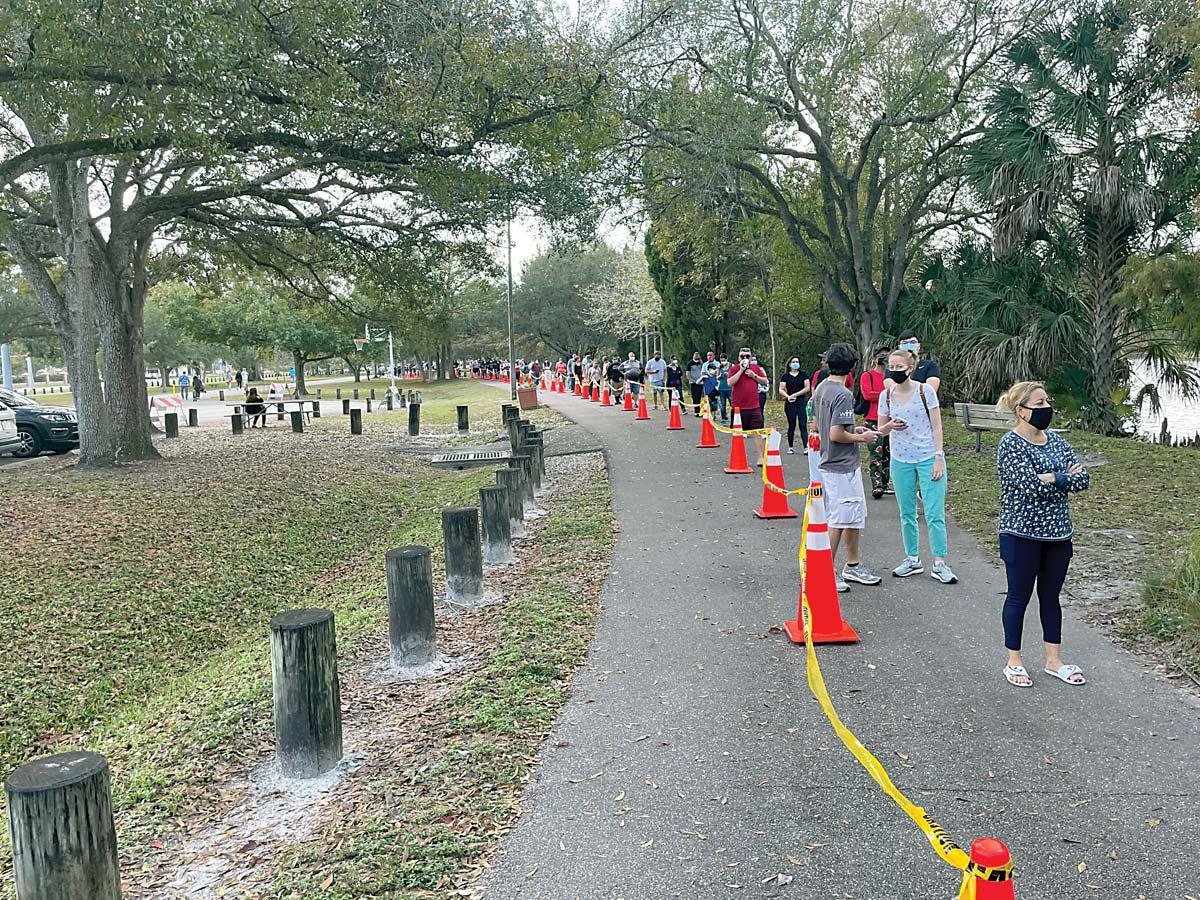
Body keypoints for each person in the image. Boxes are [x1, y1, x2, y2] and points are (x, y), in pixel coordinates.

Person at [995, 381, 1089, 688]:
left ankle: (1054, 661)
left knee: (1051, 598)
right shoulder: (1010, 444)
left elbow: (1082, 479)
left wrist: (1053, 477)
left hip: (1059, 536)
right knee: (1018, 597)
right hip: (1020, 534)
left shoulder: (1058, 442)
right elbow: (1030, 488)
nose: (1046, 407)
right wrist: (1061, 479)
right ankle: (1014, 661)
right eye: (1039, 403)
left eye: (1047, 401)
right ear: (1021, 411)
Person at [878, 349, 956, 584]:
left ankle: (940, 562)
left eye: (899, 367)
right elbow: (880, 430)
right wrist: (891, 425)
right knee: (907, 513)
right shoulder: (887, 396)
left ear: (910, 369)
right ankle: (912, 559)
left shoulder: (926, 391)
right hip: (900, 459)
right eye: (891, 366)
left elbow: (937, 427)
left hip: (927, 457)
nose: (894, 370)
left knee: (934, 512)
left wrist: (938, 457)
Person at [812, 343, 882, 592]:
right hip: (839, 466)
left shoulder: (822, 388)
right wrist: (861, 438)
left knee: (853, 516)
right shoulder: (843, 394)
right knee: (840, 519)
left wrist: (855, 430)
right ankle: (824, 569)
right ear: (852, 367)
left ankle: (853, 565)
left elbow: (820, 425)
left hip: (838, 464)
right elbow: (834, 434)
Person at [726, 348, 769, 465]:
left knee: (757, 432)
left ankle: (760, 458)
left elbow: (764, 381)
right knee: (738, 434)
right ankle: (738, 457)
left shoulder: (756, 368)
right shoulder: (734, 369)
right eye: (742, 356)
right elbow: (730, 382)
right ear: (738, 358)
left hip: (754, 406)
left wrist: (754, 375)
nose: (745, 359)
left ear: (751, 358)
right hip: (738, 408)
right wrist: (741, 371)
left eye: (747, 356)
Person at [860, 346, 891, 498]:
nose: (884, 358)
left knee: (888, 454)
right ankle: (876, 485)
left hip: (890, 420)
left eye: (887, 355)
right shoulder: (868, 375)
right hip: (872, 419)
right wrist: (887, 394)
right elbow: (868, 395)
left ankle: (885, 484)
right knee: (875, 453)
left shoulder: (891, 377)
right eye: (881, 355)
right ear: (874, 358)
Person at [778, 356, 810, 454]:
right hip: (790, 402)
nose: (795, 363)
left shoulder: (803, 375)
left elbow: (807, 387)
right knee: (791, 425)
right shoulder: (786, 376)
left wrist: (796, 394)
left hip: (801, 401)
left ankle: (806, 446)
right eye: (793, 362)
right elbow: (781, 389)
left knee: (802, 424)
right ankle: (790, 447)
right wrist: (788, 396)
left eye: (797, 362)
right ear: (789, 364)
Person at [687, 351, 705, 416]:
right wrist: (690, 380)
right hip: (693, 383)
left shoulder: (701, 363)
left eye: (698, 355)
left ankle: (700, 410)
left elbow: (704, 370)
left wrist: (701, 362)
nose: (697, 356)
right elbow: (688, 373)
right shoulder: (690, 363)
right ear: (693, 356)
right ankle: (696, 411)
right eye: (695, 355)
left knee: (699, 396)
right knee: (695, 397)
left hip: (700, 382)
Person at [717, 355, 732, 423]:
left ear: (727, 359)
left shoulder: (731, 366)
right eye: (721, 360)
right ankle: (723, 419)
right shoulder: (719, 367)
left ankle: (734, 418)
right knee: (722, 405)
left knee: (732, 403)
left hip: (730, 388)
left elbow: (734, 375)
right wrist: (720, 376)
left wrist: (728, 374)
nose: (723, 362)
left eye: (724, 360)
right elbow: (717, 377)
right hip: (721, 388)